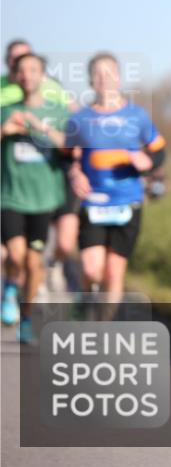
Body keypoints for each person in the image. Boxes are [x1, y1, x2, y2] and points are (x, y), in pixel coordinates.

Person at [65, 52, 166, 314]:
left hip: (128, 202)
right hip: (94, 201)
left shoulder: (137, 116)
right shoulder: (80, 119)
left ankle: (100, 331)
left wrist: (148, 161)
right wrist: (75, 173)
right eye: (98, 74)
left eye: (109, 73)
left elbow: (158, 150)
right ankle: (84, 298)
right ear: (90, 81)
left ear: (119, 78)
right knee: (91, 268)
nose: (104, 79)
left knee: (113, 272)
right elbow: (66, 157)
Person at [0, 53, 70, 342]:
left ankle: (26, 318)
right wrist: (6, 130)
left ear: (43, 76)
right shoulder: (6, 111)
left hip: (43, 200)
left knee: (34, 263)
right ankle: (10, 286)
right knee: (15, 255)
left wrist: (41, 128)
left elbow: (70, 149)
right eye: (22, 70)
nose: (27, 75)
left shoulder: (58, 113)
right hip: (12, 197)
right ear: (15, 76)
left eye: (33, 70)